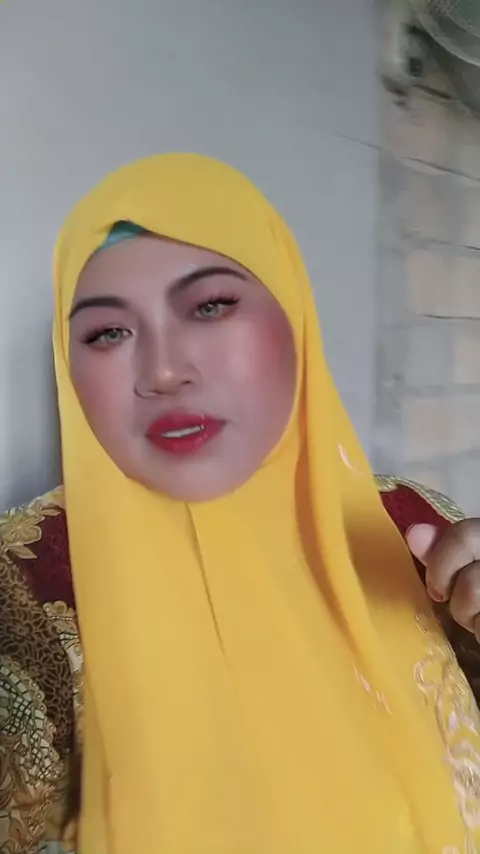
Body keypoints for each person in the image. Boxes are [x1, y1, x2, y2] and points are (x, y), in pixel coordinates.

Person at [2, 153, 480, 853]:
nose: (164, 371)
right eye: (107, 333)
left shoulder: (414, 528)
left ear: (296, 317)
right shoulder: (30, 581)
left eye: (210, 307)